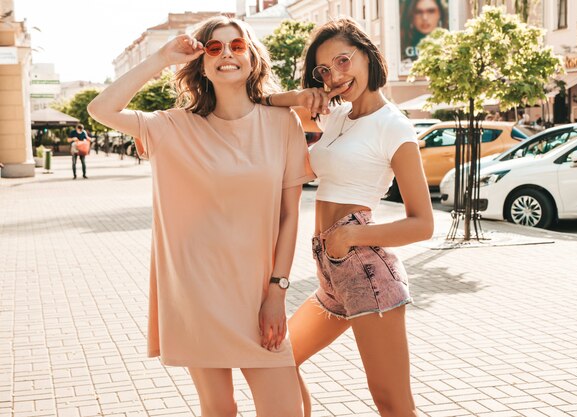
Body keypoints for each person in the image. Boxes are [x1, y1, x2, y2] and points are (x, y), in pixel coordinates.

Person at [87, 16, 314, 417]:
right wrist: (161, 57)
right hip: (196, 295)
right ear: (203, 64)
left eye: (237, 45)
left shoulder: (282, 122)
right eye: (214, 48)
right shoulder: (172, 127)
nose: (227, 53)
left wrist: (277, 291)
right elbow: (100, 108)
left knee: (286, 409)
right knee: (219, 409)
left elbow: (289, 216)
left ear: (252, 58)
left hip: (260, 295)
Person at [268, 18, 434, 417]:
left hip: (366, 273)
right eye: (324, 69)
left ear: (367, 55)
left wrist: (349, 239)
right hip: (331, 273)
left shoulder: (394, 126)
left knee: (392, 404)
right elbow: (263, 104)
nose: (336, 75)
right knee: (277, 362)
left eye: (343, 61)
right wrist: (304, 94)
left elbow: (423, 223)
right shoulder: (339, 116)